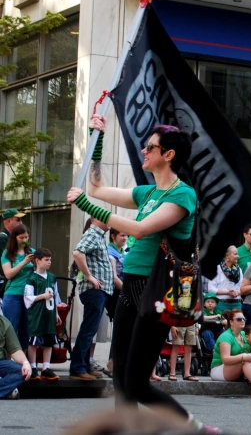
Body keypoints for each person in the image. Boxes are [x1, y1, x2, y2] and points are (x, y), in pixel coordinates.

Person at [67, 117, 202, 427]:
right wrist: (97, 139)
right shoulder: (147, 193)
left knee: (137, 381)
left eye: (150, 147)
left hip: (155, 289)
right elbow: (98, 187)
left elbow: (140, 230)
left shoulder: (183, 195)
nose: (144, 151)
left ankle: (192, 427)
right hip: (131, 284)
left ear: (168, 154)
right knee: (121, 376)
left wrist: (89, 206)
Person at [70, 218, 114, 380]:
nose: (110, 221)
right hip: (94, 290)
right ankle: (78, 368)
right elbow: (77, 252)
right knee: (88, 329)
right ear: (96, 220)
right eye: (106, 218)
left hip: (99, 290)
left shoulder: (99, 235)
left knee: (90, 329)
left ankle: (84, 366)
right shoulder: (93, 234)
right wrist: (89, 276)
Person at [209, 309, 251, 397]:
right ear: (231, 322)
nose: (242, 321)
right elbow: (225, 359)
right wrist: (243, 357)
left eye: (243, 319)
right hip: (219, 370)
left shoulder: (244, 334)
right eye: (239, 319)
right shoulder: (226, 336)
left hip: (236, 367)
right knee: (246, 361)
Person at [23, 249, 61, 381]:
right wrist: (42, 296)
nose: (49, 262)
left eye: (50, 260)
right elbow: (28, 298)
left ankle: (46, 367)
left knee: (48, 341)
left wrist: (57, 313)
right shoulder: (32, 279)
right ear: (37, 261)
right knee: (33, 341)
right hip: (36, 314)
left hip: (49, 314)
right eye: (46, 260)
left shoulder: (52, 277)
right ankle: (33, 367)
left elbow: (55, 297)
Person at [1, 224, 35, 352]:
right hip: (13, 294)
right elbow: (8, 274)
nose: (24, 240)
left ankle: (23, 362)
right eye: (21, 237)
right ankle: (7, 359)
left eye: (26, 237)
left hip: (29, 296)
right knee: (11, 328)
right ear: (14, 238)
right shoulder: (8, 253)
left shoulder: (32, 251)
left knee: (26, 330)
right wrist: (24, 262)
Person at [104, 228, 127, 378]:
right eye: (122, 235)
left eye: (126, 235)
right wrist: (128, 290)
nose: (125, 238)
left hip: (122, 293)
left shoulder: (121, 252)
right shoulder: (111, 252)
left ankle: (115, 364)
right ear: (113, 236)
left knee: (122, 330)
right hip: (115, 294)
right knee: (120, 329)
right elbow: (113, 277)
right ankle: (111, 365)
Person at [0, 314, 32, 399]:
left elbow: (15, 350)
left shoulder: (5, 324)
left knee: (21, 371)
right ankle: (6, 390)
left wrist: (25, 363)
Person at [207, 245, 243, 314]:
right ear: (227, 256)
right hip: (222, 304)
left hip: (237, 304)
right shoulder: (217, 269)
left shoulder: (239, 270)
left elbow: (242, 287)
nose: (238, 256)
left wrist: (237, 292)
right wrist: (227, 292)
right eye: (235, 254)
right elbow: (210, 289)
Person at [0, 209, 25, 305]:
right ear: (9, 221)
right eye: (18, 220)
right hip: (6, 284)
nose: (21, 222)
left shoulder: (12, 238)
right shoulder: (3, 238)